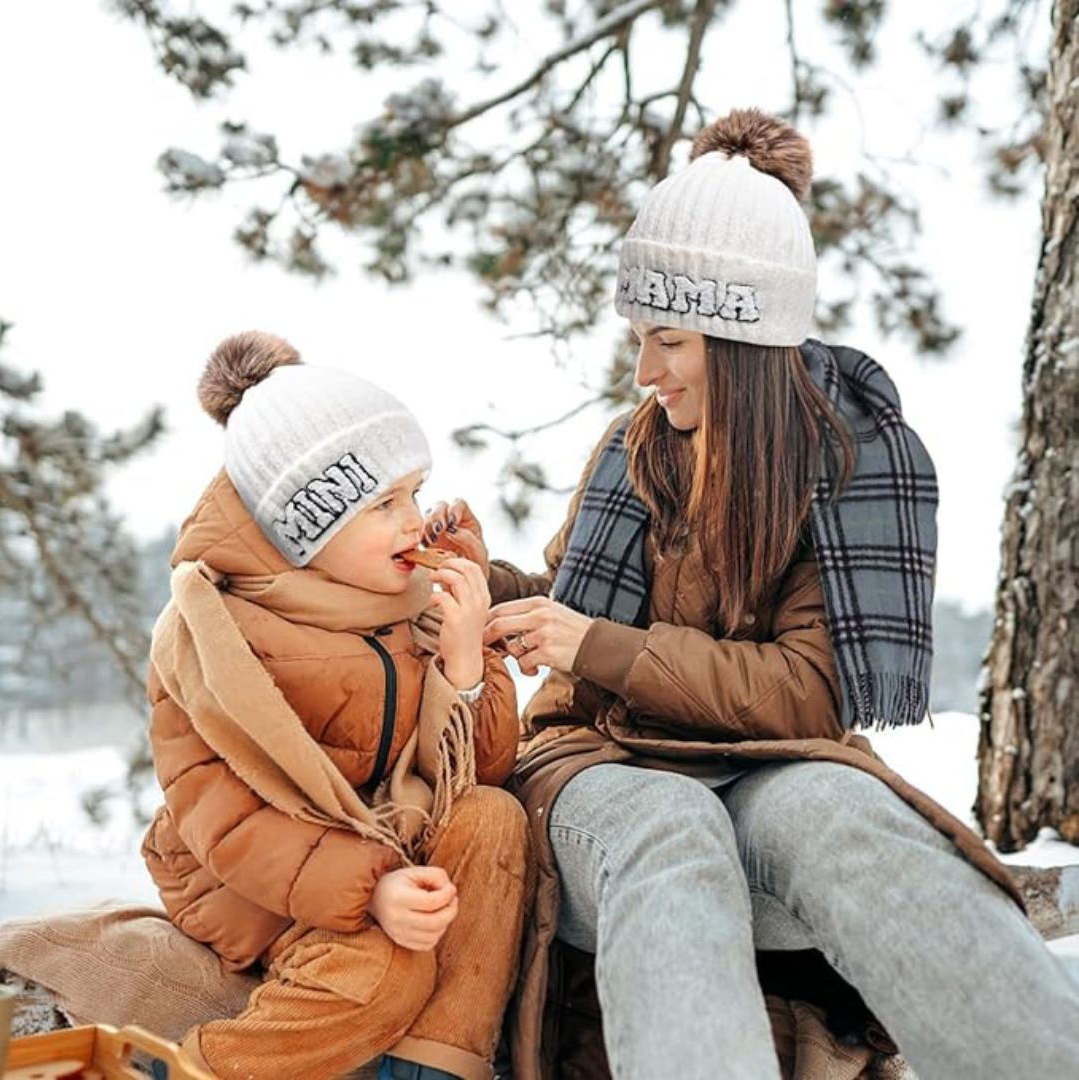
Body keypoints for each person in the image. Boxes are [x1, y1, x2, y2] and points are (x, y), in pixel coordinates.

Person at [426, 109, 1079, 1079]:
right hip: (597, 757)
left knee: (859, 824)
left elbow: (809, 690)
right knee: (671, 830)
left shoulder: (845, 473)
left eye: (670, 342)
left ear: (743, 342)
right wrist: (482, 580)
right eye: (640, 340)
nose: (644, 373)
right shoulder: (629, 449)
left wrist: (593, 642)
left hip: (771, 757)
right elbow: (569, 596)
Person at [140, 331, 530, 1080]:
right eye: (384, 503)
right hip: (252, 875)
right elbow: (226, 819)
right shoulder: (213, 635)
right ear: (304, 526)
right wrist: (369, 888)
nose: (414, 521)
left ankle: (430, 1068)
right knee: (389, 969)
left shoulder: (408, 597)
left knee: (493, 820)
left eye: (415, 491)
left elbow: (483, 772)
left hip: (386, 834)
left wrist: (463, 658)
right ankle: (199, 1070)